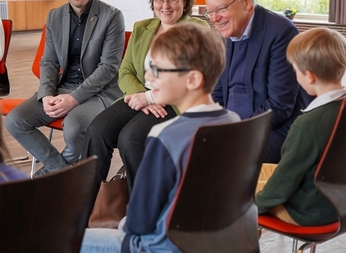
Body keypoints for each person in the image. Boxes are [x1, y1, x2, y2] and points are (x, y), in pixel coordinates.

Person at [80, 22, 240, 253]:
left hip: (161, 246)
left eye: (157, 70)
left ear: (193, 79)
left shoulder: (165, 136)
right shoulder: (233, 121)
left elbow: (139, 223)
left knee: (55, 238)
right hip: (211, 240)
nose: (148, 78)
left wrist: (124, 223)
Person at [81, 0, 209, 191]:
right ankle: (86, 204)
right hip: (139, 95)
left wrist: (150, 97)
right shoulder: (142, 28)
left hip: (175, 102)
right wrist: (141, 96)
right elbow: (126, 70)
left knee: (131, 139)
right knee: (96, 131)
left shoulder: (197, 29)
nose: (165, 5)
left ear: (184, 1)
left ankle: (141, 209)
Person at [5, 0, 125, 176]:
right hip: (62, 87)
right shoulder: (54, 17)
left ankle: (47, 177)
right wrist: (46, 94)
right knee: (15, 121)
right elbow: (49, 61)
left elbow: (108, 67)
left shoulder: (112, 16)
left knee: (73, 127)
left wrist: (74, 98)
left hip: (100, 92)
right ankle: (62, 173)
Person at [203, 0, 311, 163]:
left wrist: (237, 132)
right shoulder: (225, 32)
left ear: (246, 1)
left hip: (271, 129)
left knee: (226, 159)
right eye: (210, 11)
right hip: (233, 125)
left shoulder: (281, 32)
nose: (214, 19)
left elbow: (279, 105)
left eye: (220, 9)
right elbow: (218, 92)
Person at [255, 27, 346, 226]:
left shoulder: (308, 125)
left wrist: (255, 206)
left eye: (295, 70)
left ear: (309, 76)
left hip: (310, 210)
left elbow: (282, 185)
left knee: (239, 196)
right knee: (259, 171)